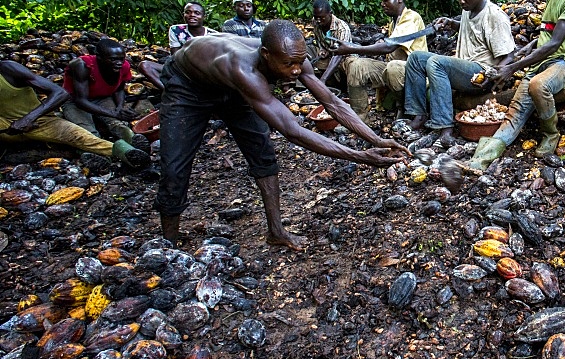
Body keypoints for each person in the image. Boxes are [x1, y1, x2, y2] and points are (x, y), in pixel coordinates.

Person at [154, 22, 407, 250]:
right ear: (266, 55)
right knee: (175, 167)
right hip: (188, 85)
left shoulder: (294, 56)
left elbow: (333, 103)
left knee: (263, 153)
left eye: (300, 62)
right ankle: (168, 245)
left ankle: (276, 231)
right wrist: (360, 156)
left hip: (230, 87)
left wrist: (376, 139)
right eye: (288, 65)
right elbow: (292, 131)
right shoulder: (245, 70)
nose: (296, 70)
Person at [465, 0, 565, 170]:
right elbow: (545, 35)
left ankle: (551, 134)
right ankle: (479, 160)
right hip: (543, 62)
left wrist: (513, 67)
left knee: (538, 85)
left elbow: (554, 44)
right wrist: (524, 51)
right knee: (514, 113)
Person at [404, 0, 516, 149]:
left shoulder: (494, 15)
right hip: (465, 68)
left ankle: (445, 128)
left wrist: (491, 75)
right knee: (416, 58)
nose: (461, 1)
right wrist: (451, 23)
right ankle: (419, 115)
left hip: (482, 75)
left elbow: (509, 55)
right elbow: (472, 30)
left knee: (436, 63)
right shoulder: (469, 8)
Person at [0, 60, 150, 167]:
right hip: (5, 126)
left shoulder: (8, 70)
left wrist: (27, 119)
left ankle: (125, 152)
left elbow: (60, 93)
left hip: (39, 121)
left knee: (80, 136)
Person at [329, 0, 427, 121]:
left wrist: (351, 47)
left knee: (393, 68)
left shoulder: (411, 18)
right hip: (394, 71)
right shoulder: (394, 21)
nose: (382, 4)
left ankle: (406, 108)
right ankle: (359, 118)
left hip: (414, 74)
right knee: (357, 65)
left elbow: (389, 46)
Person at [62, 38, 150, 152]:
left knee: (119, 125)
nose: (119, 63)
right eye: (113, 59)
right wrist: (113, 113)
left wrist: (119, 107)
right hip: (75, 102)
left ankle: (135, 148)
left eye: (121, 59)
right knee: (88, 132)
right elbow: (80, 100)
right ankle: (106, 154)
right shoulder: (82, 65)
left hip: (102, 98)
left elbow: (119, 89)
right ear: (99, 57)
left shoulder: (124, 66)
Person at [307, 0, 352, 87]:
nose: (318, 21)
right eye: (316, 17)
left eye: (322, 18)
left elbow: (339, 54)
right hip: (328, 54)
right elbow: (318, 39)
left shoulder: (341, 28)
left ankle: (337, 85)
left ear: (330, 14)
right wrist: (322, 49)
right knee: (305, 50)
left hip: (343, 58)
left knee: (349, 65)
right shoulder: (316, 21)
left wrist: (323, 79)